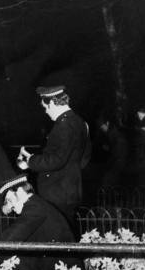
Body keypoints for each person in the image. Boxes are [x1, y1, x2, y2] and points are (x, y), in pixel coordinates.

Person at [17, 86, 91, 229]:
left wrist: (30, 161)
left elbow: (57, 159)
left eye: (46, 108)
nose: (46, 112)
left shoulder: (63, 125)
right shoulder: (80, 122)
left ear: (52, 103)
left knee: (56, 233)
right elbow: (85, 155)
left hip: (56, 192)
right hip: (70, 189)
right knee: (67, 231)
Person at [0, 174, 76, 270]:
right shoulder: (35, 204)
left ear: (20, 191)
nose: (10, 207)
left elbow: (10, 238)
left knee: (7, 258)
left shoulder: (34, 208)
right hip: (52, 262)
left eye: (10, 200)